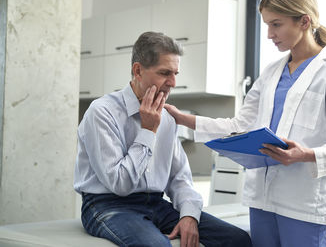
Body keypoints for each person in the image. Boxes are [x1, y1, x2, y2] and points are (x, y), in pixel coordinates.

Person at [164, 0, 326, 247]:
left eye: (276, 24)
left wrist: (304, 154)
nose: (269, 34)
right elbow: (238, 125)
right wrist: (182, 118)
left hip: (303, 204)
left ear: (304, 21)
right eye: (267, 25)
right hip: (262, 200)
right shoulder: (270, 73)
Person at [74, 31, 252, 247]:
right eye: (165, 73)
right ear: (137, 70)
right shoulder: (102, 112)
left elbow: (180, 178)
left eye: (176, 73)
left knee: (238, 240)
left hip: (157, 203)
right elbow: (120, 184)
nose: (173, 82)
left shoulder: (167, 117)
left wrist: (189, 214)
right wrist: (148, 131)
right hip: (107, 205)